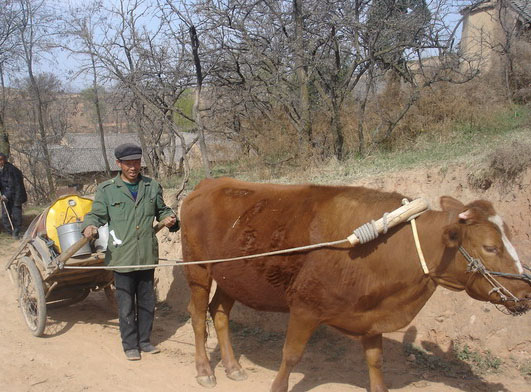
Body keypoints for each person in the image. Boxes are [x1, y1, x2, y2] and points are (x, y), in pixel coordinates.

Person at [81, 143, 178, 361]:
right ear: (119, 164)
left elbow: (162, 210)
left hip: (145, 255)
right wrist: (90, 226)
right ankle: (130, 345)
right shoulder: (107, 190)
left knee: (147, 303)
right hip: (122, 256)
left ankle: (144, 341)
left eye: (136, 162)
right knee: (125, 305)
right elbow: (95, 215)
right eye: (128, 163)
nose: (133, 167)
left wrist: (170, 218)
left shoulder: (152, 186)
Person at [0, 152, 27, 238]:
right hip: (6, 195)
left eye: (1, 160)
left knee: (16, 215)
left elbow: (12, 186)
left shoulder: (12, 170)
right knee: (5, 215)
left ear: (4, 160)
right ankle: (10, 232)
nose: (0, 162)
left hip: (16, 195)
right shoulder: (1, 169)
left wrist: (4, 196)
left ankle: (17, 232)